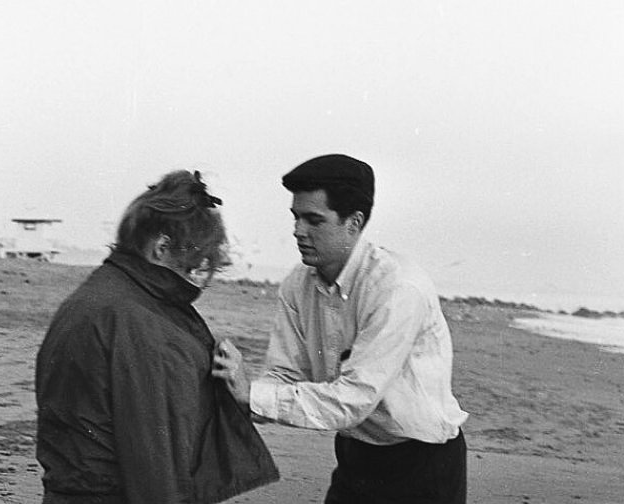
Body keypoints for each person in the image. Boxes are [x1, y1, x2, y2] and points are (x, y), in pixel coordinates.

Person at [212, 154, 468, 504]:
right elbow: (285, 374)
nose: (298, 231)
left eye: (313, 220)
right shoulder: (297, 285)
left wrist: (252, 395)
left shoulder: (397, 288)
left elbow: (354, 398)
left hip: (423, 462)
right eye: (296, 217)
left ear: (354, 222)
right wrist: (239, 394)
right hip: (355, 453)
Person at [36, 170, 278, 504]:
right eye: (192, 265)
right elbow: (156, 468)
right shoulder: (138, 321)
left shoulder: (95, 294)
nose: (194, 280)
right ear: (162, 247)